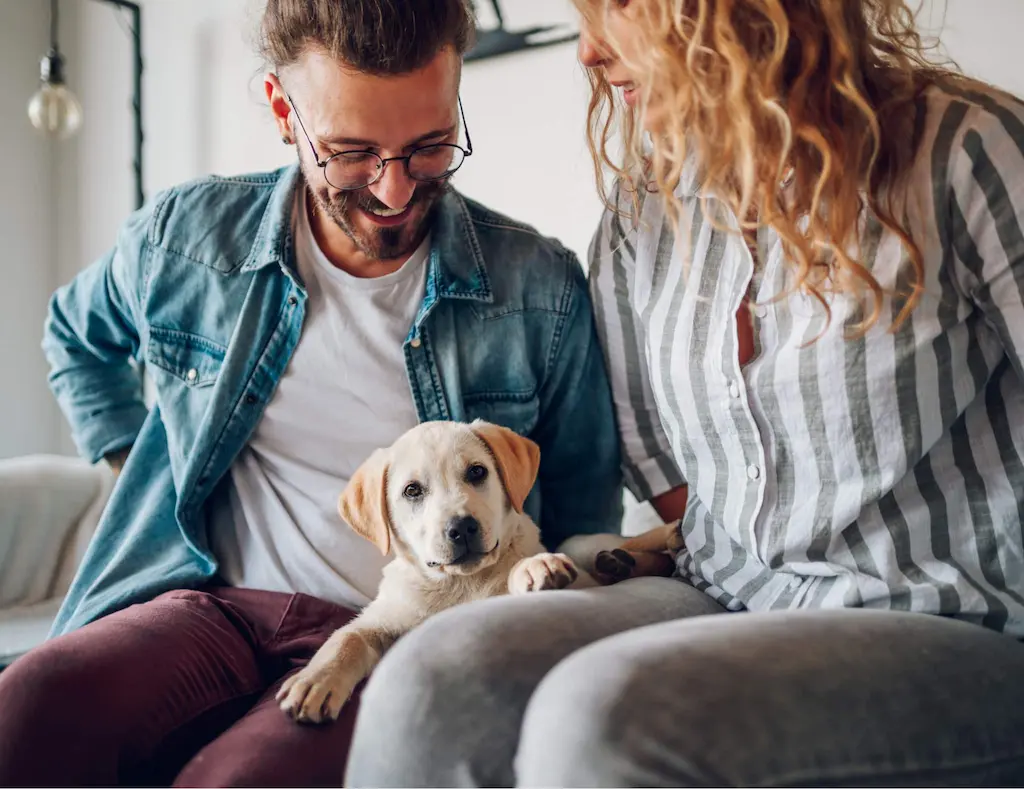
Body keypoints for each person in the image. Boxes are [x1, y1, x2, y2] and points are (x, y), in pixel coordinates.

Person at [345, 1, 1024, 785]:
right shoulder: (644, 211)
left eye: (617, 8)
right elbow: (663, 469)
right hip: (721, 589)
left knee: (603, 716)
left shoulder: (968, 154)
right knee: (436, 679)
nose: (588, 52)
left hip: (942, 615)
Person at [0, 0, 623, 784]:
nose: (394, 191)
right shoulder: (186, 239)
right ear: (281, 112)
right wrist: (134, 466)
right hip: (209, 605)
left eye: (429, 147)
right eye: (351, 152)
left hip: (400, 631)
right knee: (24, 708)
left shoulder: (539, 291)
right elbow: (75, 334)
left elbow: (579, 514)